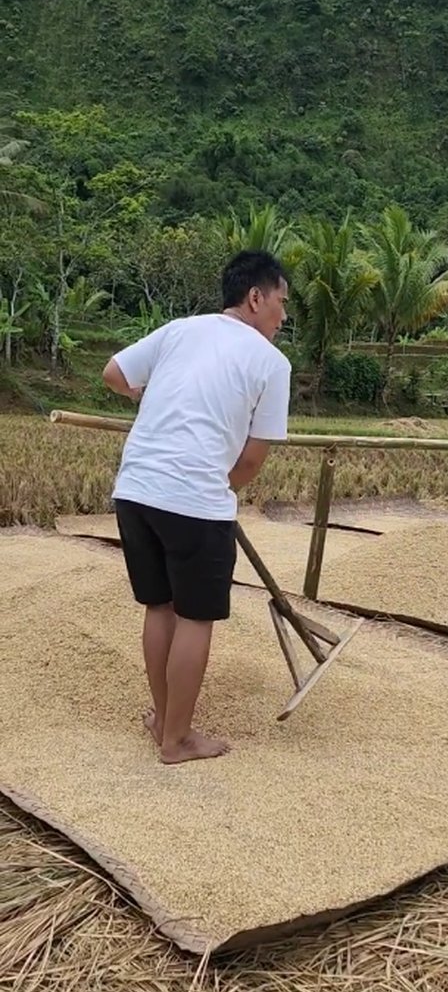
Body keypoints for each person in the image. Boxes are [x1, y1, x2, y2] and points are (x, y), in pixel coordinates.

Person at [102, 249, 291, 765]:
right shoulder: (272, 363)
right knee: (195, 617)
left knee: (159, 606)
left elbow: (113, 372)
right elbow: (251, 461)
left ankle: (165, 722)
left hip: (135, 489)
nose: (283, 316)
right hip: (194, 501)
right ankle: (177, 740)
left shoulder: (180, 330)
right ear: (255, 297)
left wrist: (148, 397)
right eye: (281, 302)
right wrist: (211, 484)